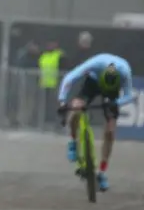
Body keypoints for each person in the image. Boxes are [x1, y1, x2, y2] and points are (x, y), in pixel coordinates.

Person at [57, 53, 135, 192]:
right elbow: (70, 78)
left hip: (111, 91)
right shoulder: (96, 63)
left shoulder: (125, 72)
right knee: (76, 108)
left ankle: (102, 172)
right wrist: (63, 101)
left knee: (110, 131)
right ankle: (73, 142)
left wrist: (116, 102)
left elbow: (129, 95)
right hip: (92, 83)